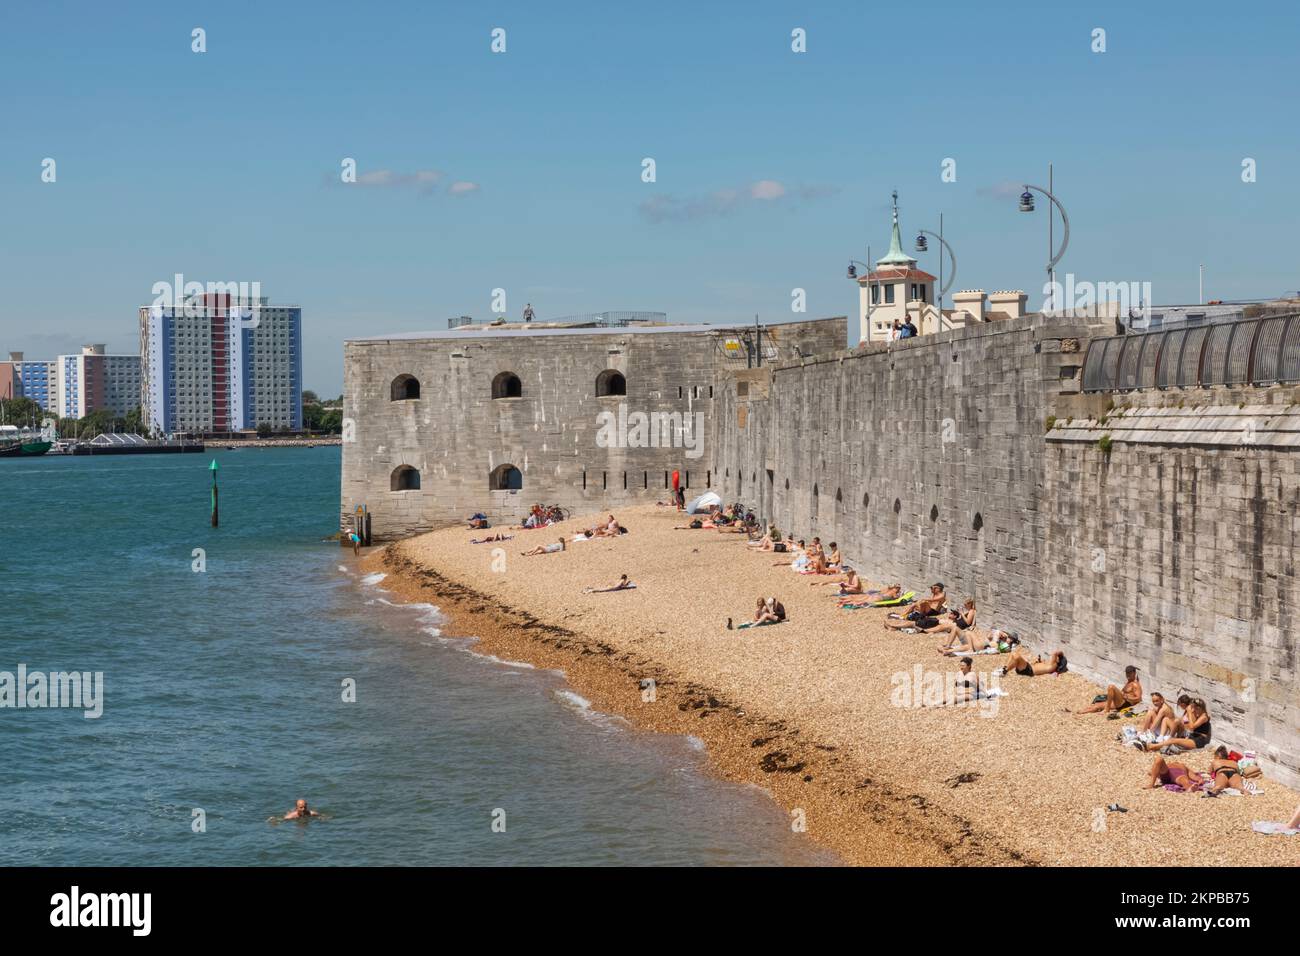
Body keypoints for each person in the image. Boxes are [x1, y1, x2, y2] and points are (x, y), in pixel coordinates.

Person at [1137, 697, 1211, 753]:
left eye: (1194, 708)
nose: (1193, 710)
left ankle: (1151, 746)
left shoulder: (1204, 717)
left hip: (1199, 740)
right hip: (1192, 737)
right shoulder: (1199, 714)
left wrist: (1189, 713)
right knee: (1175, 742)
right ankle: (1155, 745)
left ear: (1199, 707)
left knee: (1173, 740)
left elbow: (1192, 727)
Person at [1074, 665, 1142, 715]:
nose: (1128, 675)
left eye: (1130, 673)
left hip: (1124, 703)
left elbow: (1138, 698)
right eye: (1127, 673)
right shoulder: (1129, 682)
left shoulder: (1135, 684)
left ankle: (1107, 710)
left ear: (1134, 673)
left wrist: (1128, 697)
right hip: (1119, 702)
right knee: (1097, 705)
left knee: (1111, 687)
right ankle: (1079, 712)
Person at [1002, 649, 1067, 677]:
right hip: (1028, 668)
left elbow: (1055, 653)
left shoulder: (1053, 665)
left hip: (1029, 670)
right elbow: (1041, 667)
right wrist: (1039, 661)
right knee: (1013, 654)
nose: (1056, 658)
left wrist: (1061, 654)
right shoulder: (1051, 666)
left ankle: (1004, 671)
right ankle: (1004, 668)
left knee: (1016, 656)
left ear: (1059, 661)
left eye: (1058, 658)